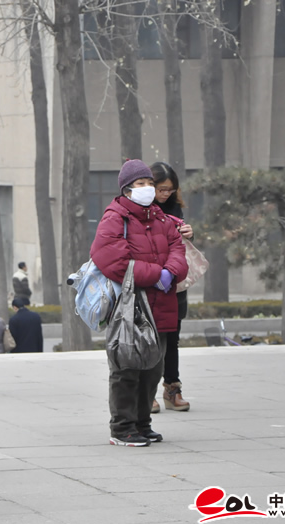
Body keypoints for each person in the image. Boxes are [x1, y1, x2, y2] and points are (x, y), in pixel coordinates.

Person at [90, 159, 188, 447]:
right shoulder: (114, 218)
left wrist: (171, 272)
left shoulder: (160, 218)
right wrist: (157, 275)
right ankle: (122, 428)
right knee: (127, 368)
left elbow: (178, 249)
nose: (147, 188)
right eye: (140, 184)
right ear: (127, 189)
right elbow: (113, 261)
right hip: (130, 306)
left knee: (152, 368)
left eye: (149, 183)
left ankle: (143, 423)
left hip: (162, 305)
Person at [151, 162, 194, 412]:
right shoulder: (140, 208)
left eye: (170, 189)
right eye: (162, 189)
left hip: (174, 281)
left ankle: (172, 389)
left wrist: (189, 234)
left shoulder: (175, 208)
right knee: (149, 340)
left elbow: (180, 246)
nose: (166, 194)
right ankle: (147, 392)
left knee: (172, 338)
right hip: (150, 280)